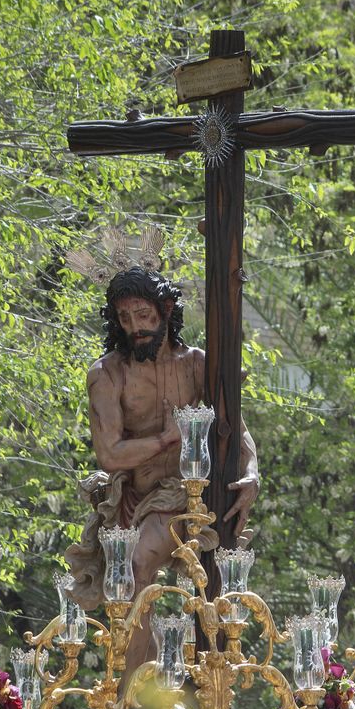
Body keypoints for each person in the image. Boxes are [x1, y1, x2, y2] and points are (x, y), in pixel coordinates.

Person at [64, 263, 260, 660]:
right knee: (131, 582)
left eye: (143, 315)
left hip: (193, 498)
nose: (134, 326)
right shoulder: (107, 374)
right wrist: (167, 438)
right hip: (134, 498)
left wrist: (253, 474)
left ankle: (206, 679)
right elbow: (111, 454)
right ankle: (141, 695)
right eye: (124, 317)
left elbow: (237, 428)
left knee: (182, 579)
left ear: (167, 309)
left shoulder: (198, 363)